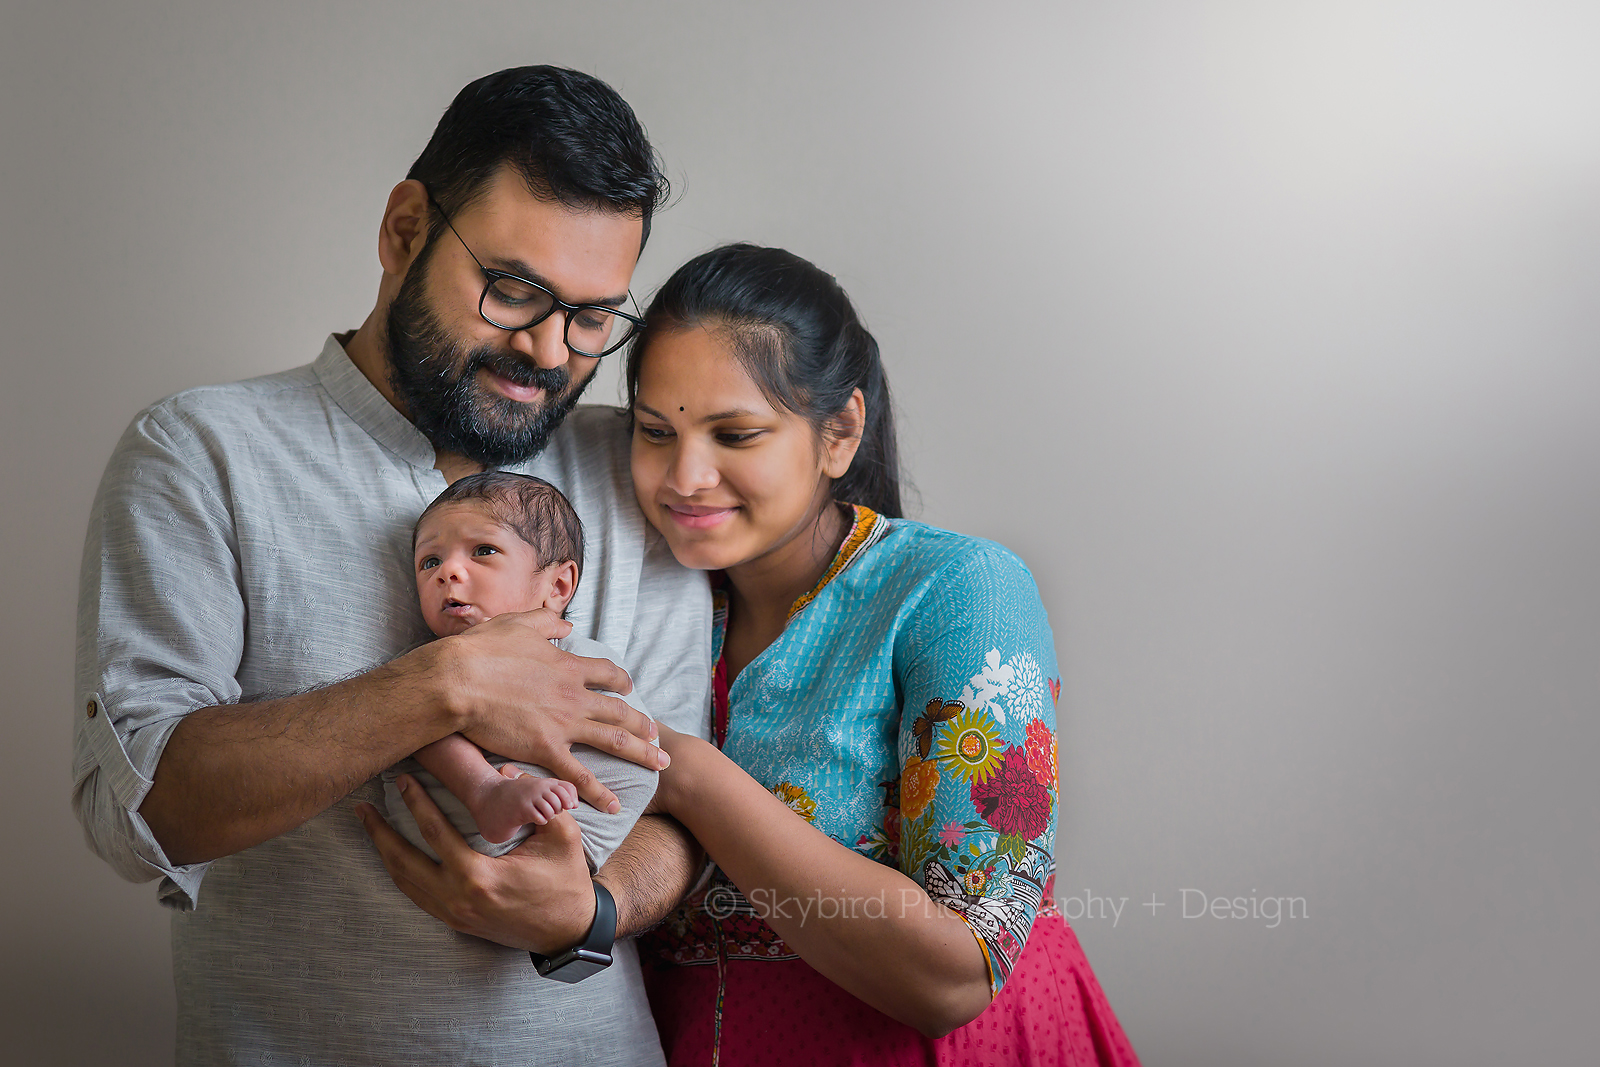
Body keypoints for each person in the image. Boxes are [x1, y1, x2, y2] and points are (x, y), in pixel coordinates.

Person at [73, 66, 711, 1065]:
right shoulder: (200, 450)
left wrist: (590, 908)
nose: (548, 350)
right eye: (512, 291)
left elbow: (681, 797)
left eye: (592, 318)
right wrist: (443, 682)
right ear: (405, 230)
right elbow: (132, 808)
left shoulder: (644, 471)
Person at [626, 244, 1142, 1064]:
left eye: (736, 433)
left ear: (839, 433)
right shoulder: (642, 598)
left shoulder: (958, 591)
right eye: (655, 432)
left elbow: (954, 976)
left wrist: (692, 779)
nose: (685, 476)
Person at [385, 470, 657, 870]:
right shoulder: (437, 656)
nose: (448, 572)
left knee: (642, 756)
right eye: (430, 561)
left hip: (580, 836)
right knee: (416, 709)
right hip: (458, 813)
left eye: (483, 551)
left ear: (557, 587)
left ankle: (572, 855)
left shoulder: (584, 654)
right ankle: (484, 791)